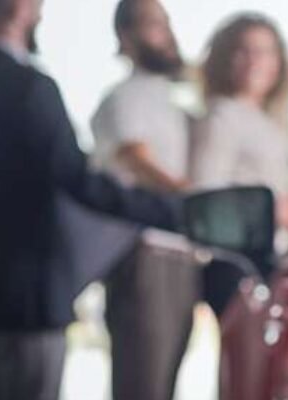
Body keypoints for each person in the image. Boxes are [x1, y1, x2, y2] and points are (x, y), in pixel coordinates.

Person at [0, 0, 183, 399]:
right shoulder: (33, 89)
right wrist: (172, 211)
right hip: (30, 300)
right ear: (26, 10)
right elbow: (80, 183)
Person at [89, 1, 198, 400]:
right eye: (154, 24)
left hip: (178, 253)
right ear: (126, 36)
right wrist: (196, 199)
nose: (166, 34)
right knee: (143, 385)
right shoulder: (125, 97)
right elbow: (135, 157)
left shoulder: (168, 101)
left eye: (166, 23)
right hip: (145, 254)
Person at [189, 12, 288, 316]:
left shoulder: (271, 124)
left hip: (269, 258)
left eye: (265, 51)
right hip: (235, 263)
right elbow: (205, 194)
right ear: (225, 58)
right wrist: (274, 210)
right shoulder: (221, 116)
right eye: (244, 50)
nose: (255, 61)